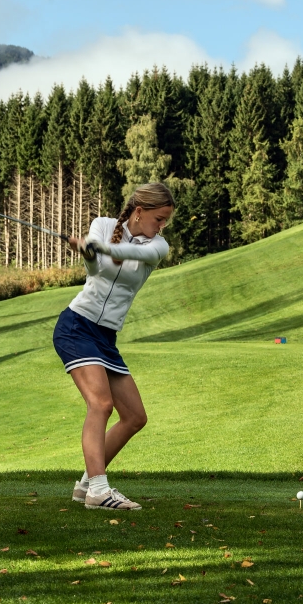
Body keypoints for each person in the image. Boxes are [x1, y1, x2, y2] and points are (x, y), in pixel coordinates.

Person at [52, 182, 175, 510]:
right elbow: (98, 272)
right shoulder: (103, 227)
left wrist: (99, 249)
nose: (162, 226)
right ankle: (98, 490)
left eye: (166, 221)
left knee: (135, 416)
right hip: (77, 326)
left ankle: (85, 484)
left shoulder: (157, 246)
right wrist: (90, 254)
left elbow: (132, 254)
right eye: (159, 218)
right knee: (101, 404)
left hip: (106, 337)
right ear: (140, 211)